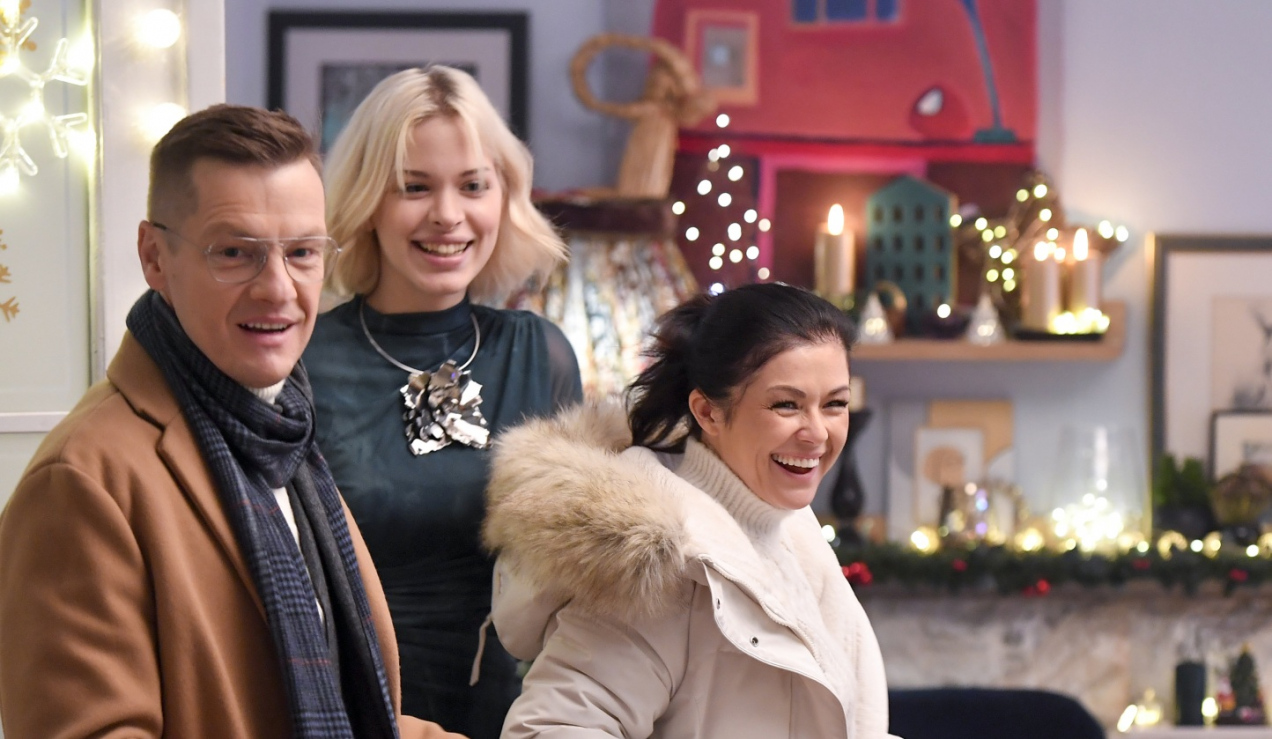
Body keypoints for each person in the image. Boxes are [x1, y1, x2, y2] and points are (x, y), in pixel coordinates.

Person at [0, 104, 462, 739]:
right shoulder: (80, 481)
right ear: (154, 257)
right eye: (236, 253)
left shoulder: (281, 435)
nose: (278, 288)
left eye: (302, 252)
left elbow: (349, 713)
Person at [484, 282, 896, 738]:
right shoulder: (664, 562)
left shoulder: (791, 530)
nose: (817, 433)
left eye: (835, 404)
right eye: (786, 405)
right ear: (708, 412)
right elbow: (549, 728)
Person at [303, 66, 582, 739]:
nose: (449, 215)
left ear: (503, 197)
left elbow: (581, 588)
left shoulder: (540, 353)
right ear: (368, 199)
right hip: (355, 712)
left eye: (473, 185)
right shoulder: (302, 361)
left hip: (519, 719)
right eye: (415, 187)